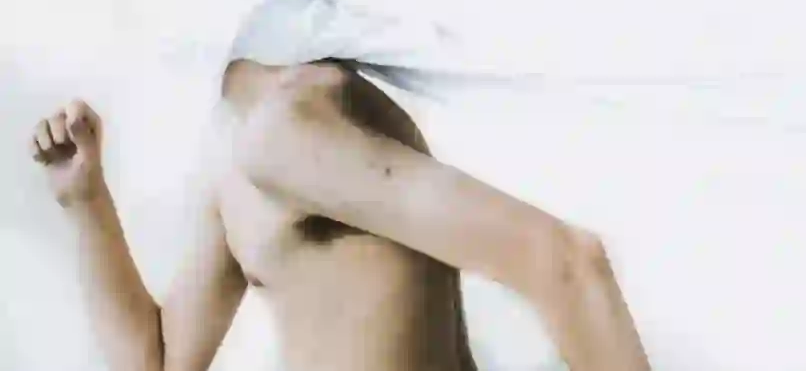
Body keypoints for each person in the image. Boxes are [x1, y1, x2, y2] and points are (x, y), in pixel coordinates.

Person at [29, 57, 652, 371]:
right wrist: (85, 200)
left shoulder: (293, 126)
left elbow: (566, 262)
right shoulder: (244, 157)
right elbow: (161, 361)